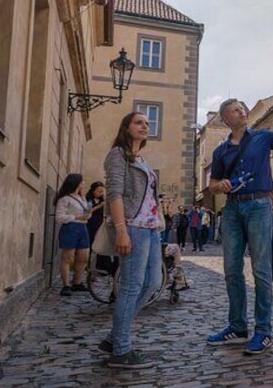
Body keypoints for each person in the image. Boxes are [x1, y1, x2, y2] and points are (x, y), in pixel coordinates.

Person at [206, 94, 273, 355]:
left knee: (261, 269)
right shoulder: (220, 150)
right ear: (225, 119)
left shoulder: (264, 136)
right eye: (234, 109)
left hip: (259, 206)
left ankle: (263, 331)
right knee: (231, 269)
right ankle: (238, 327)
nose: (241, 111)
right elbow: (212, 184)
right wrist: (220, 185)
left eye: (242, 107)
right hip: (232, 208)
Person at [98, 111, 163, 369]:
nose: (145, 126)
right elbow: (114, 194)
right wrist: (121, 230)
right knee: (131, 286)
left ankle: (115, 336)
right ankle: (121, 351)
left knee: (153, 283)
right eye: (139, 122)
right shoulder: (118, 155)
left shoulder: (141, 158)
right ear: (126, 128)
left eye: (147, 123)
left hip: (150, 227)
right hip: (132, 227)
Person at [54, 173, 91, 296]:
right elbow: (59, 217)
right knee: (68, 258)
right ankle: (66, 285)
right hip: (71, 227)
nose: (84, 183)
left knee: (84, 257)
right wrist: (76, 216)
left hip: (83, 227)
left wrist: (87, 215)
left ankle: (77, 282)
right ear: (76, 183)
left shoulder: (82, 198)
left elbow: (86, 213)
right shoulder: (64, 199)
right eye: (82, 181)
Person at [85, 181, 106, 246]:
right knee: (89, 242)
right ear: (93, 191)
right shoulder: (88, 199)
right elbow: (88, 211)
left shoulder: (102, 200)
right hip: (89, 224)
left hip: (99, 224)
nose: (101, 193)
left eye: (102, 192)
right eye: (99, 191)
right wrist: (99, 206)